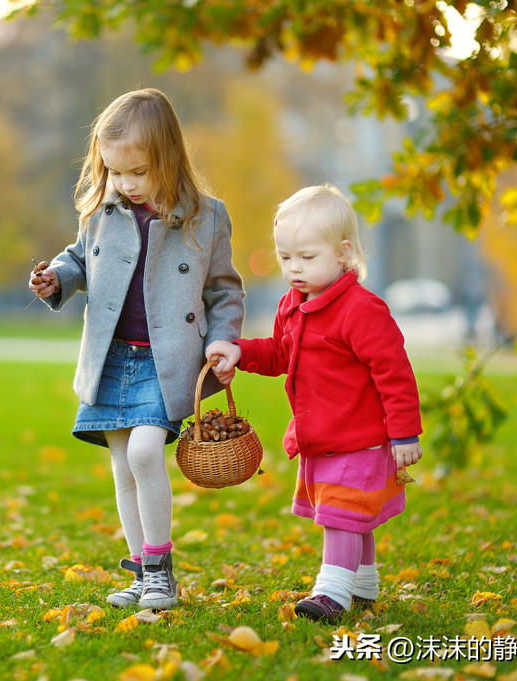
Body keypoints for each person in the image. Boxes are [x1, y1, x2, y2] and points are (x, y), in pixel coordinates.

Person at [28, 88, 245, 611]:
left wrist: (223, 338)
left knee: (147, 452)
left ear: (169, 159)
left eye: (137, 173)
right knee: (123, 467)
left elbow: (224, 290)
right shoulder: (103, 211)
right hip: (113, 360)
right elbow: (80, 260)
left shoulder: (206, 218)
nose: (125, 184)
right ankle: (142, 573)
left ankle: (162, 572)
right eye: (115, 172)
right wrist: (55, 278)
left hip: (164, 361)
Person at [205, 185, 423, 624]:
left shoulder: (361, 310)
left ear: (343, 253)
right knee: (350, 510)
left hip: (358, 436)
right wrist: (241, 352)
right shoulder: (293, 305)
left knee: (341, 512)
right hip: (320, 436)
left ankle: (332, 592)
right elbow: (282, 354)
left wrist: (403, 432)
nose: (294, 268)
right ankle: (362, 583)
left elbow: (394, 372)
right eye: (285, 258)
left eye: (307, 257)